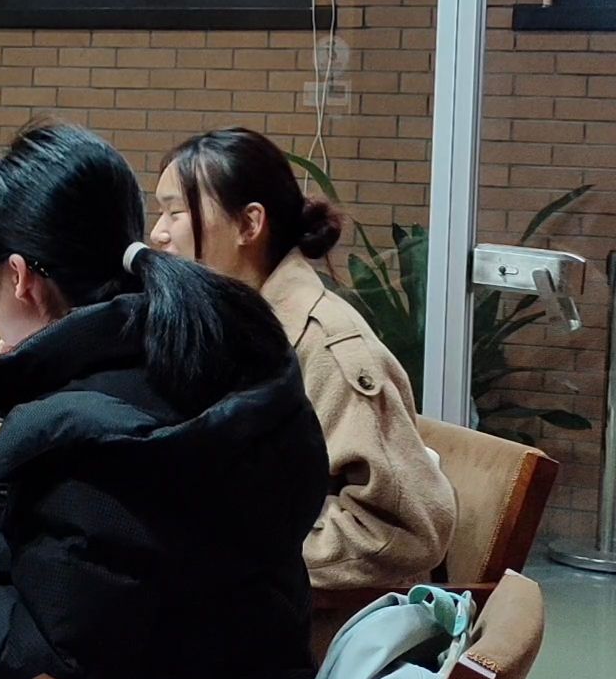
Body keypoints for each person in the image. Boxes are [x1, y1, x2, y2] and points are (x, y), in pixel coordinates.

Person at [0, 121, 329, 679]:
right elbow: (132, 581)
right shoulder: (198, 359)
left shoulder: (87, 441)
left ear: (19, 277)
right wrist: (1, 519)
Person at [152, 128, 455, 590]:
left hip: (280, 618)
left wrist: (227, 552)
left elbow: (404, 532)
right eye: (160, 212)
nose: (158, 234)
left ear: (249, 225)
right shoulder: (226, 324)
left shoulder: (328, 347)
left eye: (176, 212)